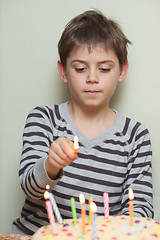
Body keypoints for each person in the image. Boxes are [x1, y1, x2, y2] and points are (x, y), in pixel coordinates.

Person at [12, 10, 153, 235]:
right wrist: (51, 164)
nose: (92, 78)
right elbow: (30, 189)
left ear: (122, 71)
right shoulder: (44, 119)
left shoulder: (135, 135)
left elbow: (141, 209)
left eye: (104, 68)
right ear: (63, 71)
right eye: (80, 68)